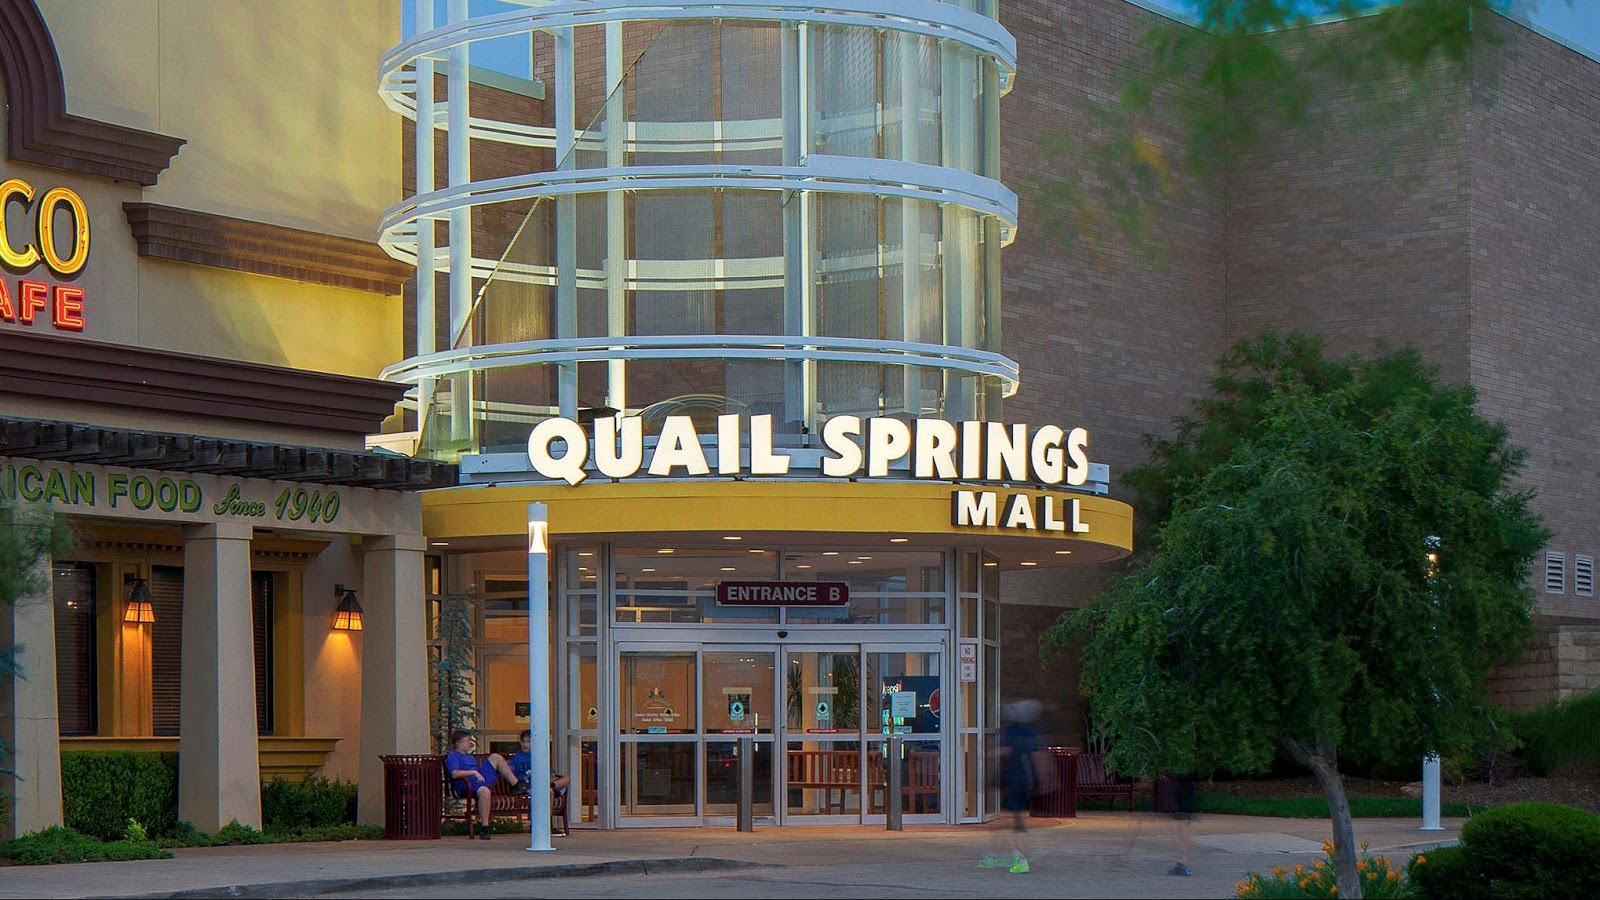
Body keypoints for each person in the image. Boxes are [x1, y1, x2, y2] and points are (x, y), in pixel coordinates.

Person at [982, 699, 1053, 875]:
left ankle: (1020, 858)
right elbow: (1038, 756)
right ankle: (995, 855)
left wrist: (988, 753)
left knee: (1011, 822)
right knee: (1009, 819)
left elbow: (1006, 751)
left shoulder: (1010, 733)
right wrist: (1043, 779)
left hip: (1012, 780)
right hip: (1024, 780)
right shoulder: (1029, 733)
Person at [444, 729, 522, 839]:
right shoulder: (453, 756)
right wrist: (473, 772)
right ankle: (485, 827)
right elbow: (454, 774)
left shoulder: (469, 757)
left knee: (496, 757)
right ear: (458, 743)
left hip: (478, 779)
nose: (469, 743)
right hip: (466, 784)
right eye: (467, 741)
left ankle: (516, 785)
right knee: (484, 791)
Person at [508, 728, 572, 796]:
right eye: (523, 741)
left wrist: (552, 775)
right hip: (527, 785)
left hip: (543, 781)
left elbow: (548, 770)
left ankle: (550, 786)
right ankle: (547, 788)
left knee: (567, 779)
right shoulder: (517, 757)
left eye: (528, 742)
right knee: (549, 792)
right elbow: (513, 774)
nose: (525, 744)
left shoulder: (539, 755)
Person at [1165, 772, 1199, 876]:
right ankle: (1182, 861)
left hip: (1182, 800)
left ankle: (1183, 861)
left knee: (1182, 830)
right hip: (1184, 798)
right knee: (1182, 830)